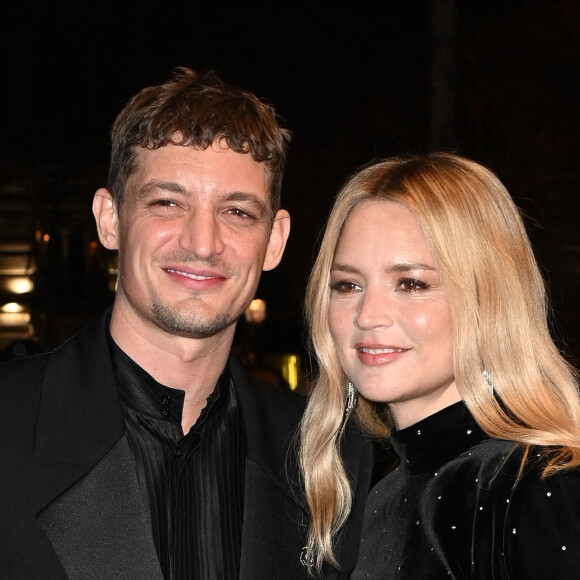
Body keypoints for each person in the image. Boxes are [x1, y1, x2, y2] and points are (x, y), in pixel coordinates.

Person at [0, 68, 372, 580]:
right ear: (110, 219)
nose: (202, 243)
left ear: (276, 239)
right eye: (168, 203)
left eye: (238, 212)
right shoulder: (10, 424)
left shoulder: (329, 456)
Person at [299, 152, 580, 579]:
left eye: (411, 283)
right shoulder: (375, 496)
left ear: (488, 300)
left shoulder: (540, 486)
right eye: (348, 284)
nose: (368, 314)